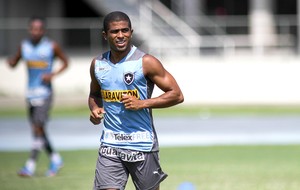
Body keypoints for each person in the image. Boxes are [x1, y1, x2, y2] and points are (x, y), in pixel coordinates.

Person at [88, 11, 184, 190]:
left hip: (142, 144)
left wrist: (142, 103)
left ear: (131, 32)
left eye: (125, 30)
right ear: (105, 35)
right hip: (110, 144)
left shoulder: (146, 62)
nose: (120, 35)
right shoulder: (98, 64)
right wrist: (94, 108)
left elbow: (176, 94)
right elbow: (94, 94)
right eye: (115, 31)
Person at [7, 16, 69, 177]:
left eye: (39, 29)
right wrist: (11, 62)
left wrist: (52, 74)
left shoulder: (51, 46)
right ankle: (55, 159)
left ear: (43, 31)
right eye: (33, 29)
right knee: (38, 130)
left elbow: (66, 62)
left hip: (45, 93)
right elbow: (14, 62)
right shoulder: (24, 46)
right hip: (30, 93)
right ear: (29, 29)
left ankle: (30, 165)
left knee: (38, 128)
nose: (36, 32)